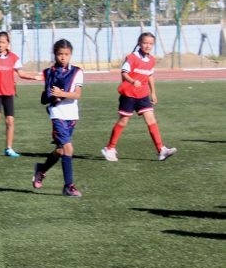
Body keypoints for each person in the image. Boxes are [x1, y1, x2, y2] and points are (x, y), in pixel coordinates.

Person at [101, 32, 177, 161]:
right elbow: (124, 72)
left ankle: (161, 150)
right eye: (145, 43)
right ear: (139, 43)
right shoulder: (132, 57)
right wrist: (132, 81)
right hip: (129, 95)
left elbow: (150, 75)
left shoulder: (151, 60)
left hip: (142, 95)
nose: (148, 46)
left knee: (151, 120)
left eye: (150, 43)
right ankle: (110, 148)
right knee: (123, 121)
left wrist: (153, 92)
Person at [32, 39, 84, 197]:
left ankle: (41, 169)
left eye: (66, 54)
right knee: (69, 148)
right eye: (60, 54)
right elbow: (46, 96)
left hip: (72, 114)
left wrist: (62, 94)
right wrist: (49, 95)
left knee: (61, 150)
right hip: (57, 114)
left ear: (71, 55)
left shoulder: (77, 72)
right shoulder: (50, 72)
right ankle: (68, 186)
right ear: (55, 54)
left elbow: (77, 95)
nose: (63, 57)